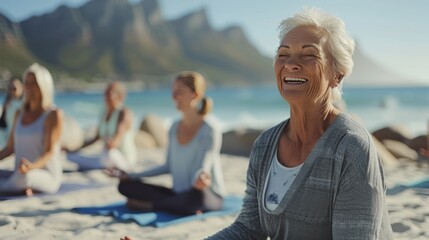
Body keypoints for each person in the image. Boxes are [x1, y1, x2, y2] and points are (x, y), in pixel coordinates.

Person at [208, 8, 393, 239]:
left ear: (337, 74)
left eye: (309, 55)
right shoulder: (265, 145)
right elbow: (248, 229)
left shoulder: (351, 148)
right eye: (283, 54)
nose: (291, 64)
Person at [109, 71, 226, 216]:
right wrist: (132, 175)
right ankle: (174, 205)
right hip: (178, 194)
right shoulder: (174, 127)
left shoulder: (210, 128)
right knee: (125, 186)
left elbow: (204, 166)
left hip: (206, 194)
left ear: (195, 95)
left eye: (179, 92)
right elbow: (168, 166)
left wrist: (201, 178)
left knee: (194, 198)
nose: (173, 97)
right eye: (173, 91)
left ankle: (151, 205)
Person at [0, 63, 63, 196]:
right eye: (26, 82)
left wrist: (31, 167)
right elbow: (10, 148)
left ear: (43, 86)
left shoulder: (52, 114)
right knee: (20, 176)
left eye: (33, 82)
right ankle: (23, 189)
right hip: (19, 173)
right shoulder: (19, 113)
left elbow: (49, 152)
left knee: (25, 177)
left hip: (45, 174)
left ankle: (20, 187)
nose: (28, 86)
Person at [64, 81, 137, 171]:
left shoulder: (124, 113)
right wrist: (73, 149)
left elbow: (117, 138)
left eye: (109, 93)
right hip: (105, 157)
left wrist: (112, 143)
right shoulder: (104, 113)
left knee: (109, 153)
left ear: (120, 96)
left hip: (122, 159)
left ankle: (106, 167)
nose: (106, 97)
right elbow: (95, 139)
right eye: (105, 94)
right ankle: (102, 166)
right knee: (70, 156)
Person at [0, 77, 24, 147]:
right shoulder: (8, 103)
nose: (12, 92)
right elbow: (3, 124)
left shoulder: (25, 105)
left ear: (22, 88)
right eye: (10, 89)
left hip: (20, 140)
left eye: (14, 89)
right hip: (9, 140)